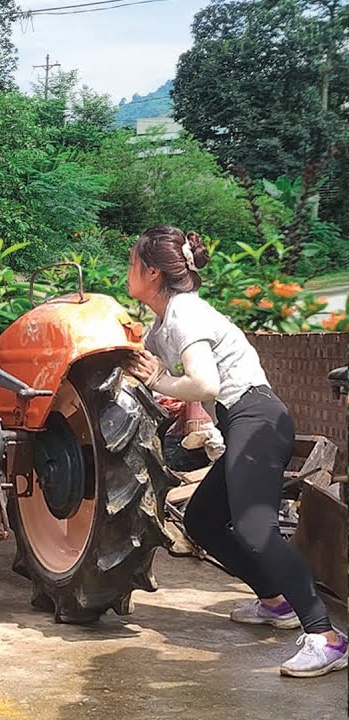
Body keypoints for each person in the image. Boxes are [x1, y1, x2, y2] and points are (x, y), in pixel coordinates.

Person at [121, 225, 346, 678]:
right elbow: (146, 359)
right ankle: (275, 600)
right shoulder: (164, 322)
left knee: (255, 527)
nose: (126, 271)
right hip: (243, 422)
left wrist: (157, 380)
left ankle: (326, 637)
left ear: (150, 272)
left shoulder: (185, 312)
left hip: (258, 419)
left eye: (130, 264)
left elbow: (205, 384)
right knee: (203, 520)